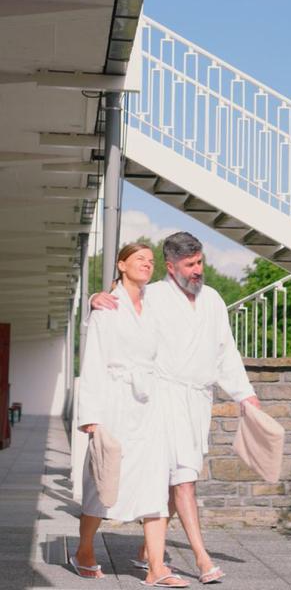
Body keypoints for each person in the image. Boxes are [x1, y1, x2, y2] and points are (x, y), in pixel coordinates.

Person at [91, 232, 260, 585]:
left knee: (174, 480)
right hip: (161, 399)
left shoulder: (213, 299)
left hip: (198, 400)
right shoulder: (152, 296)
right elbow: (121, 310)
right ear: (171, 266)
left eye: (200, 262)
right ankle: (202, 559)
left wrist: (244, 394)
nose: (198, 270)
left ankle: (145, 552)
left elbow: (225, 351)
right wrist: (97, 297)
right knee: (183, 481)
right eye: (190, 265)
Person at [75, 243, 187, 588]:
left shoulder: (155, 306)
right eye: (140, 259)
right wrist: (91, 416)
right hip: (115, 402)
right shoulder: (107, 307)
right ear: (121, 264)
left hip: (151, 405)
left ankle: (156, 567)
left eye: (151, 261)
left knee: (155, 481)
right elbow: (93, 360)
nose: (147, 265)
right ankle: (84, 551)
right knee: (104, 481)